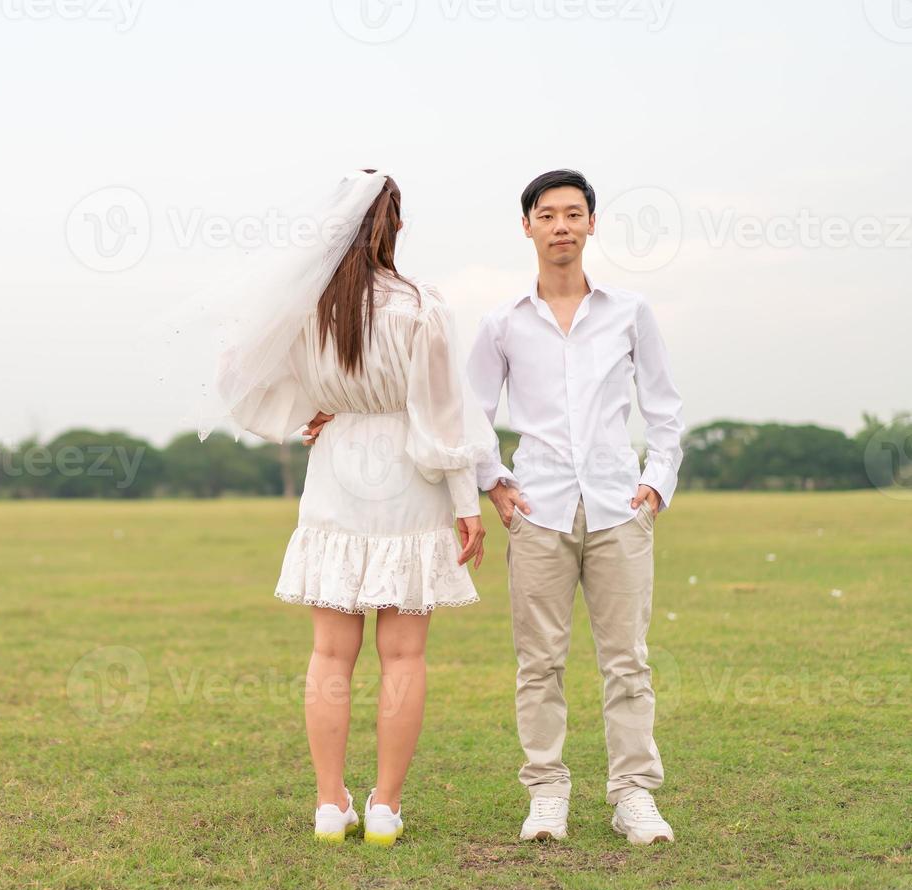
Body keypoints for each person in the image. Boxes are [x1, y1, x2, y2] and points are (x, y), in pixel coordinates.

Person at [197, 169, 495, 845]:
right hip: (409, 477)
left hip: (335, 471)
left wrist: (305, 410)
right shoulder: (421, 305)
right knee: (404, 656)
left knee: (330, 654)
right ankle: (385, 805)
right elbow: (441, 415)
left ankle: (331, 804)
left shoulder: (305, 309)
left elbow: (236, 367)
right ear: (394, 225)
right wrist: (463, 499)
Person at [466, 169, 685, 845]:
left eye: (573, 213)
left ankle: (634, 795)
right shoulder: (502, 322)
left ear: (592, 224)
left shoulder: (630, 311)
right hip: (539, 510)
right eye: (547, 215)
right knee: (540, 662)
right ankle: (546, 793)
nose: (561, 226)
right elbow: (473, 415)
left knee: (628, 660)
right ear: (527, 226)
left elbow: (665, 407)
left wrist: (656, 484)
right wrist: (496, 484)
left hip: (620, 507)